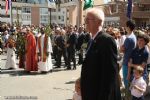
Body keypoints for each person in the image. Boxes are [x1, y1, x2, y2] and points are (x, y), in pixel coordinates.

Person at [80, 8, 121, 100]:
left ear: (99, 22)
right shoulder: (92, 39)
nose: (85, 22)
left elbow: (109, 75)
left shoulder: (107, 40)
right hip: (91, 92)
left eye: (88, 19)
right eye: (85, 19)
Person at [120, 20, 137, 88]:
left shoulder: (128, 39)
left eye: (126, 26)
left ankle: (128, 96)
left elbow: (121, 50)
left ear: (129, 27)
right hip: (132, 60)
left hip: (127, 62)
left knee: (126, 81)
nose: (125, 27)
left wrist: (122, 48)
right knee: (130, 80)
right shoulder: (134, 37)